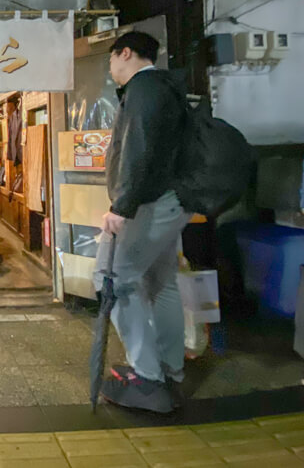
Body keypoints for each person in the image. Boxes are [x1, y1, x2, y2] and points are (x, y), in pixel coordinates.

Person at [95, 31, 191, 414]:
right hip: (173, 201)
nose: (111, 70)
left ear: (126, 53)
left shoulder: (143, 89)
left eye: (111, 61)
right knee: (162, 282)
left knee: (111, 279)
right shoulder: (166, 88)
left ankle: (148, 377)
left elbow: (139, 149)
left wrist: (122, 206)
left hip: (150, 203)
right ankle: (170, 367)